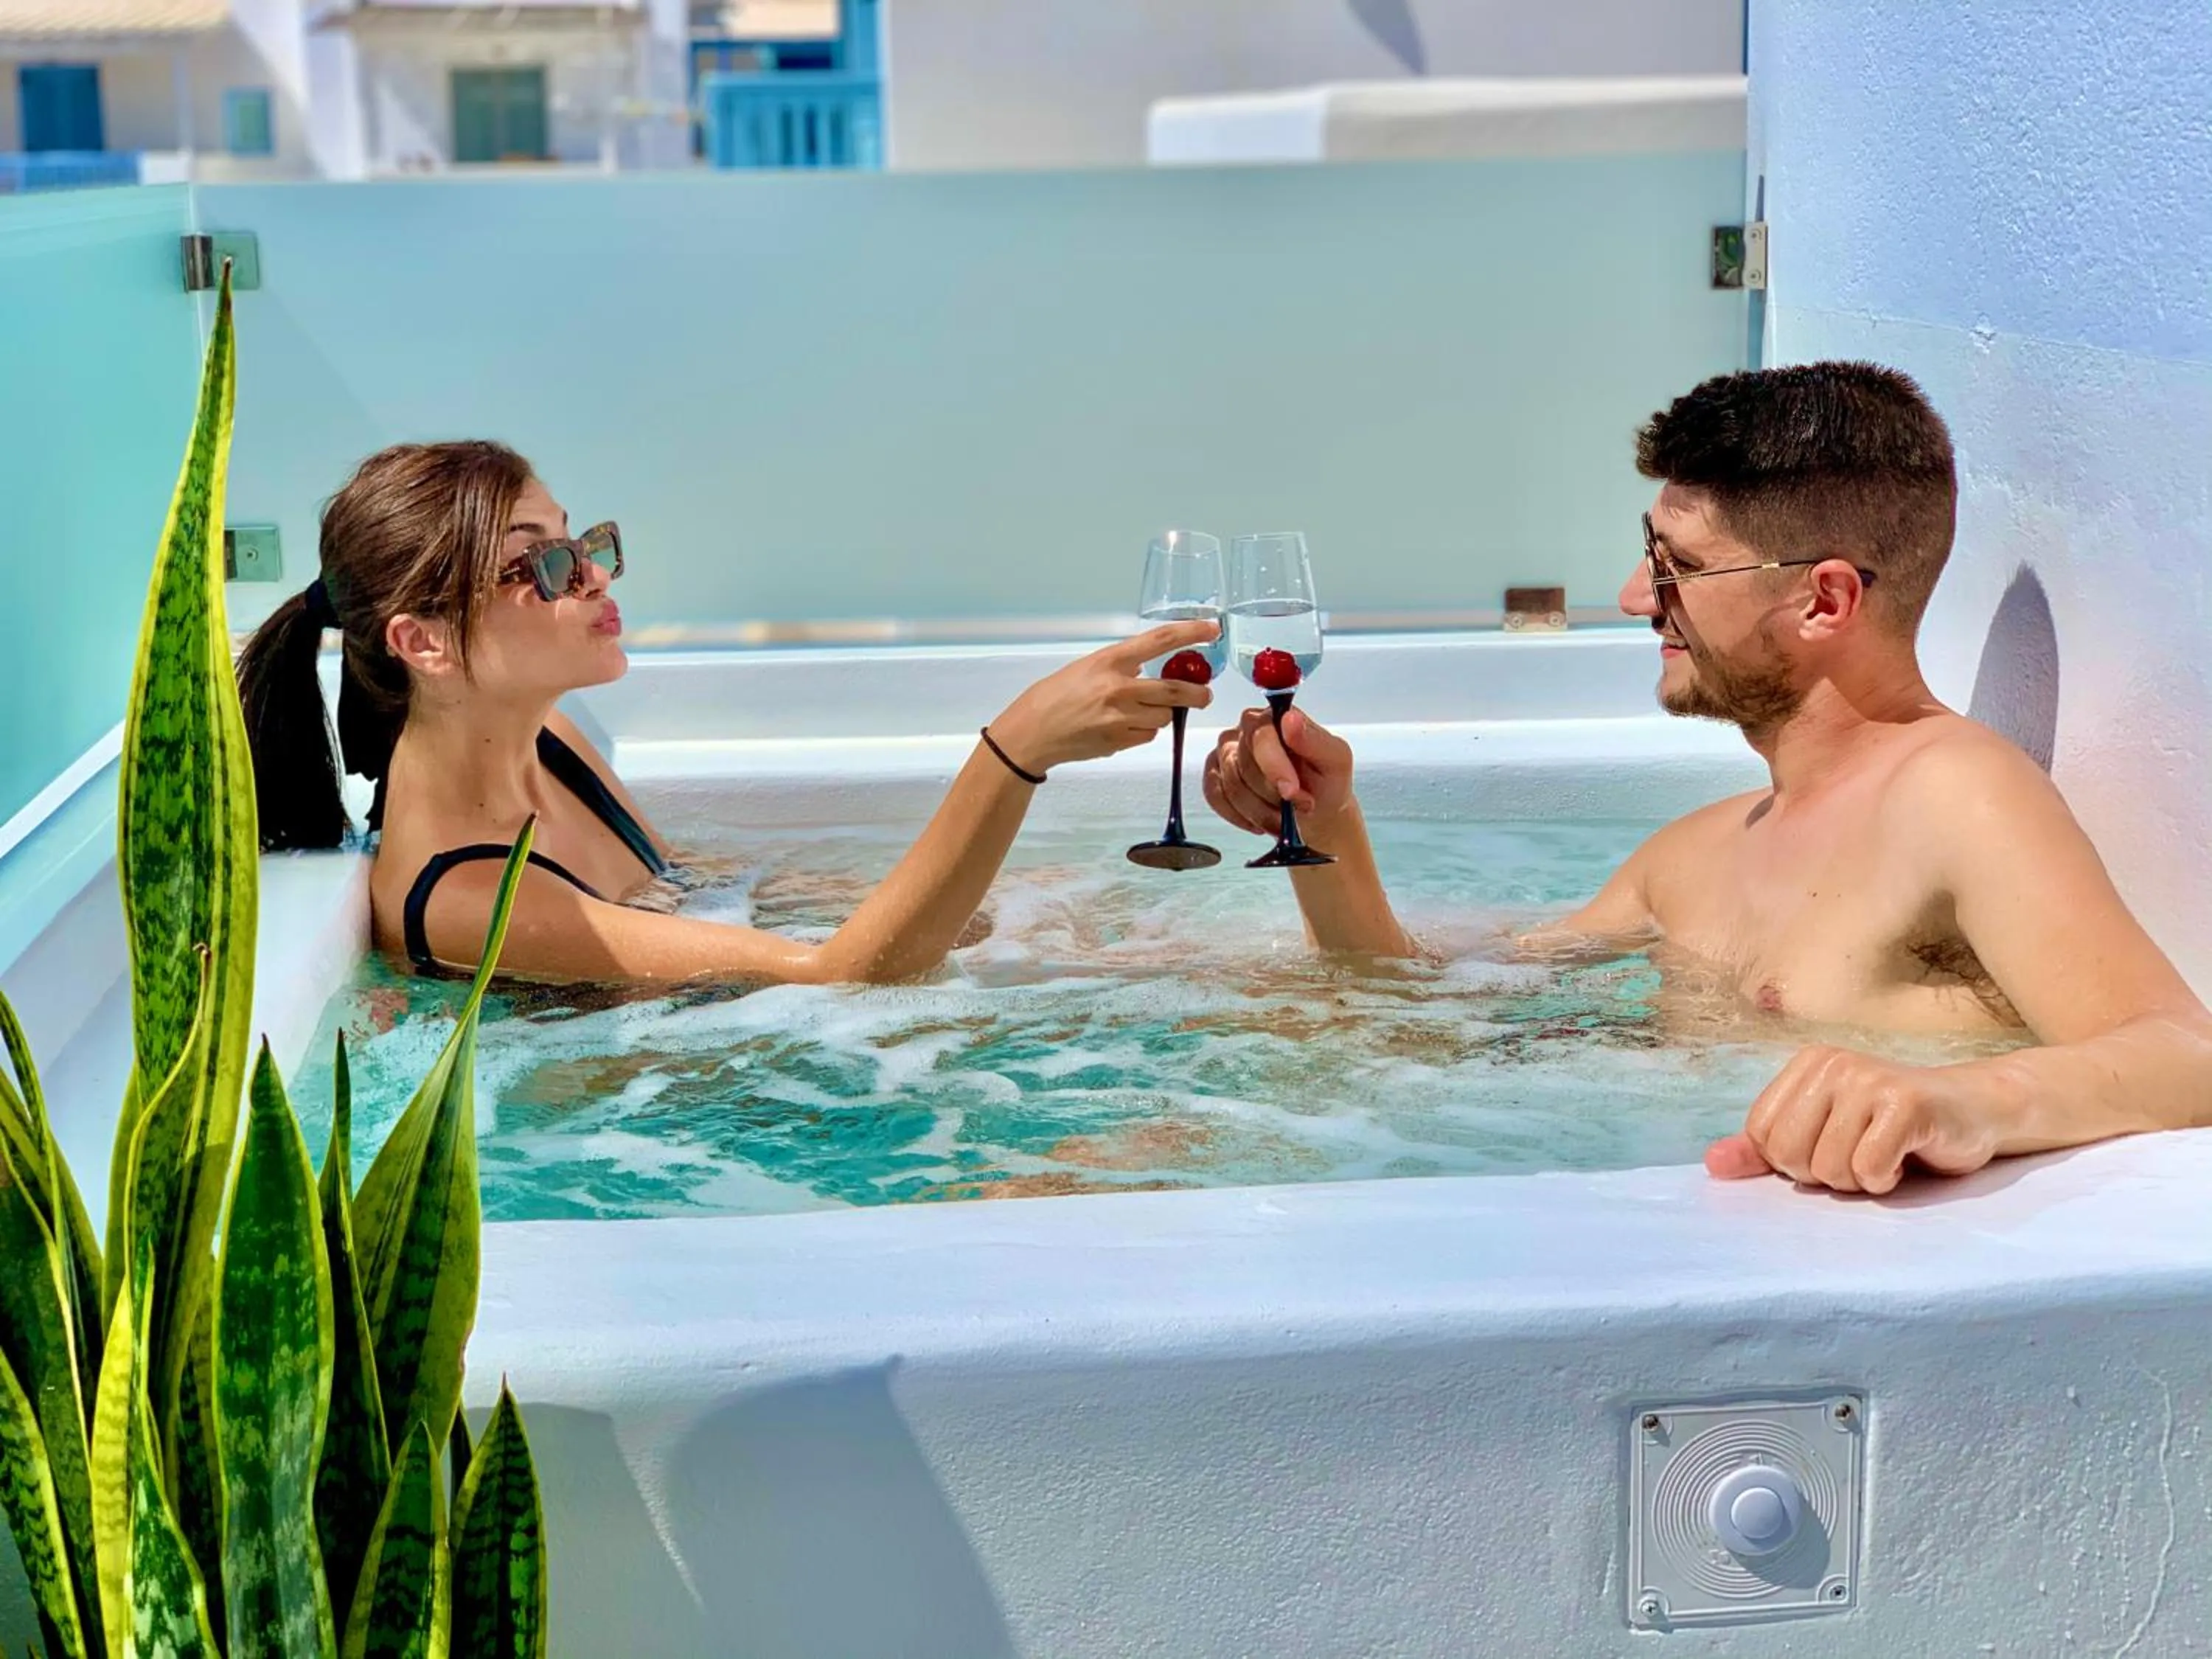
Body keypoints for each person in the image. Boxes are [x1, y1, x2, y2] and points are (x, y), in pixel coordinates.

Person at [1201, 363, 2212, 1196]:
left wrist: (1961, 1101)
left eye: (1676, 564)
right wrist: (1323, 821)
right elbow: (1415, 1012)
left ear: (1824, 599)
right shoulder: (1691, 856)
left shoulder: (1954, 794)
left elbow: (2184, 1053)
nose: (1637, 595)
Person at [238, 441, 1214, 983]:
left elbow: (712, 899)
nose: (591, 575)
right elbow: (840, 978)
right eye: (541, 562)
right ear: (425, 643)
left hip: (733, 1052)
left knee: (1153, 949)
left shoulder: (551, 742)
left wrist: (1032, 913)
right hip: (700, 1115)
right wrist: (1015, 753)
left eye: (584, 542)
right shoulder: (462, 898)